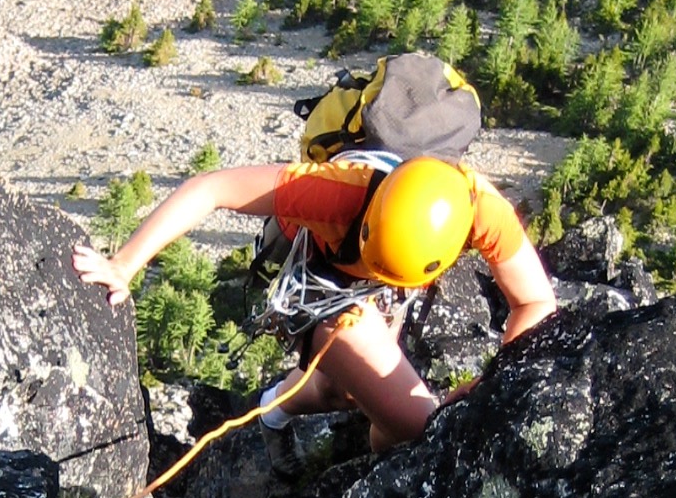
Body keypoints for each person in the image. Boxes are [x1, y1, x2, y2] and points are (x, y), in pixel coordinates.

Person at [71, 150, 557, 451]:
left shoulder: (482, 210)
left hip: (387, 286)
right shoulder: (334, 193)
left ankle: (274, 407)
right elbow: (212, 188)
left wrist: (493, 386)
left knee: (339, 393)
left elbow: (535, 303)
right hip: (323, 288)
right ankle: (333, 430)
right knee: (421, 428)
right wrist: (125, 263)